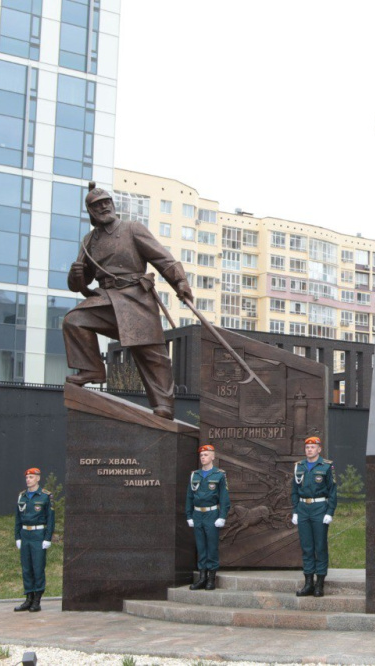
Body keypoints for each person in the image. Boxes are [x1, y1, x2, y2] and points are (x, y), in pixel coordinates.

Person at [63, 181, 193, 419]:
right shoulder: (88, 241)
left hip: (135, 298)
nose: (103, 207)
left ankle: (164, 404)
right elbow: (79, 285)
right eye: (97, 205)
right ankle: (92, 369)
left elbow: (162, 258)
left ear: (112, 204)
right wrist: (76, 275)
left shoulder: (132, 228)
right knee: (74, 320)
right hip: (106, 300)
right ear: (90, 212)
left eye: (106, 202)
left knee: (151, 352)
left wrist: (180, 282)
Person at [291, 436, 337, 597]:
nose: (309, 450)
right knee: (306, 547)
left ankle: (319, 583)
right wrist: (295, 511)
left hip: (319, 508)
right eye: (307, 447)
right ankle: (308, 582)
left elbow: (332, 491)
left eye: (312, 447)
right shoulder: (299, 466)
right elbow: (294, 491)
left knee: (320, 546)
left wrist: (330, 512)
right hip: (303, 508)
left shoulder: (326, 466)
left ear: (319, 449)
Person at [186, 444, 230, 591]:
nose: (203, 457)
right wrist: (189, 515)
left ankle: (211, 578)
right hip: (197, 514)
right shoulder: (195, 475)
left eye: (206, 455)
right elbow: (189, 497)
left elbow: (224, 498)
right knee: (201, 547)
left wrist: (222, 516)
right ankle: (202, 578)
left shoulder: (219, 475)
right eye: (201, 455)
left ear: (213, 457)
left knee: (211, 546)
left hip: (212, 514)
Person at [14, 467, 54, 612]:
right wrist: (17, 536)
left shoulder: (45, 496)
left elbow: (50, 519)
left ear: (38, 478)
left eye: (31, 477)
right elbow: (18, 518)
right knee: (26, 568)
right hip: (25, 534)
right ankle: (28, 598)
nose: (28, 480)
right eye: (27, 477)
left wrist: (47, 538)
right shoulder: (22, 496)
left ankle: (37, 600)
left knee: (38, 568)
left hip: (38, 535)